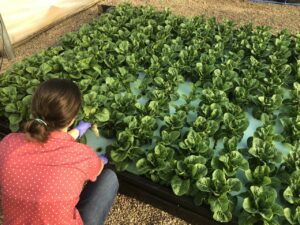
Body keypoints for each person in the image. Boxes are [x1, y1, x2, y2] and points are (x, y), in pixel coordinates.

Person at [0, 78, 119, 225]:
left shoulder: (9, 144)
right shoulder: (81, 155)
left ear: (35, 110)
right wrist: (103, 160)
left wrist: (77, 132)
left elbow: (49, 142)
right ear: (72, 118)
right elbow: (98, 167)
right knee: (109, 178)